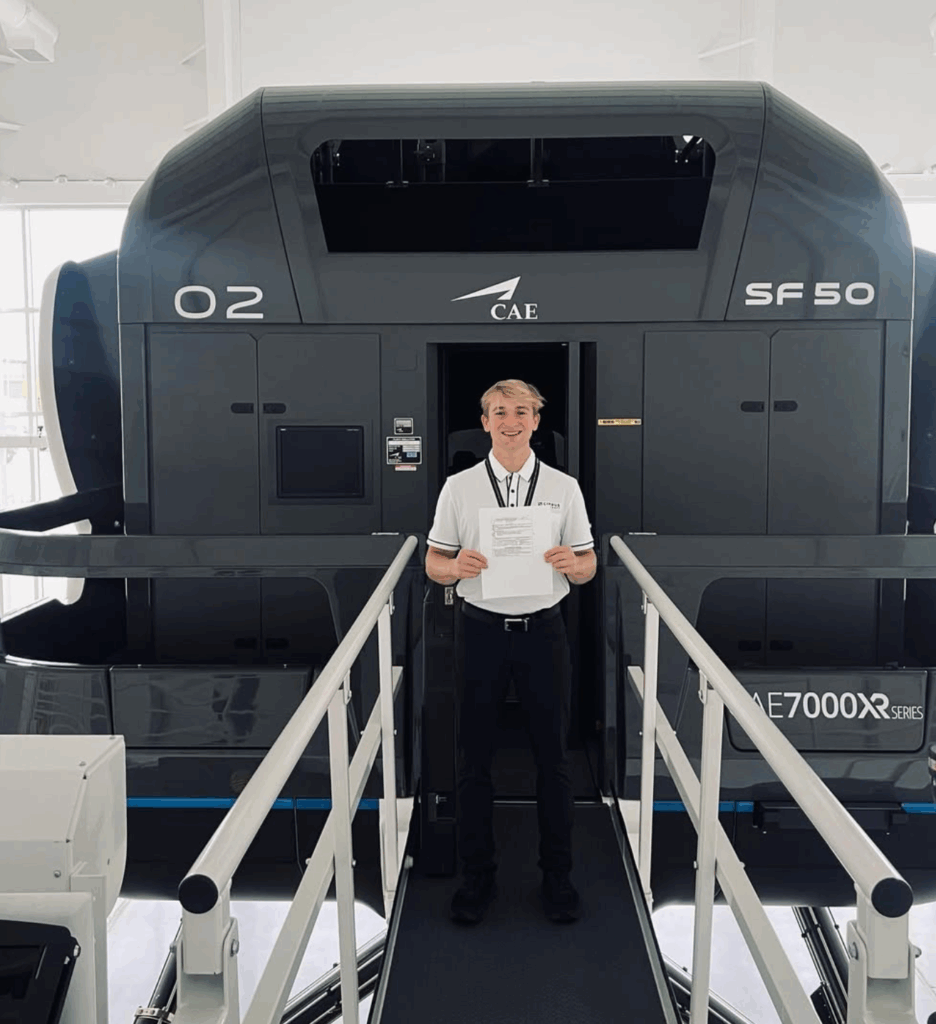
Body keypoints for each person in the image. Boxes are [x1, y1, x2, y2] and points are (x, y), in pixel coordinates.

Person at [425, 379, 596, 925]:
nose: (511, 420)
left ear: (537, 421)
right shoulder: (459, 487)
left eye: (522, 411)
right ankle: (478, 878)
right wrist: (455, 569)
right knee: (473, 760)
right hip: (480, 631)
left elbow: (588, 566)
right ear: (485, 422)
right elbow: (433, 562)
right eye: (499, 411)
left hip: (544, 633)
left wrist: (576, 565)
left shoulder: (565, 488)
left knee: (554, 761)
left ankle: (558, 878)